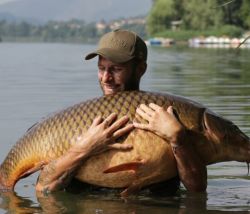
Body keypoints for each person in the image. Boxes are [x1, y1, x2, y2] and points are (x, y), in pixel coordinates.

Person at [36, 29, 207, 195]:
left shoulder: (167, 119)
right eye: (101, 68)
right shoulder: (80, 125)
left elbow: (197, 189)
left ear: (141, 69)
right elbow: (43, 188)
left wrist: (179, 139)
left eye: (116, 69)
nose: (106, 78)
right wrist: (83, 149)